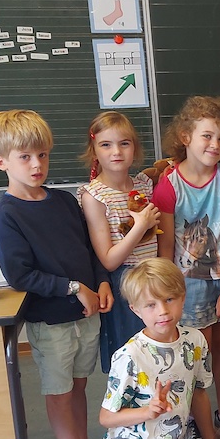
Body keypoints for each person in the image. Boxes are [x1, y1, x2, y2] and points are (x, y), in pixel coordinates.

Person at [0, 109, 113, 439]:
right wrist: (75, 288)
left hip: (85, 313)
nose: (37, 164)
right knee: (58, 393)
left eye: (42, 155)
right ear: (1, 161)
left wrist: (102, 282)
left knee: (77, 386)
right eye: (25, 157)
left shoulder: (61, 201)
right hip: (52, 320)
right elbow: (21, 276)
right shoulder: (5, 215)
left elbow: (89, 250)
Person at [99, 258, 218, 439]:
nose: (163, 311)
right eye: (151, 305)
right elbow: (105, 418)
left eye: (169, 299)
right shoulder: (129, 356)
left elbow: (199, 393)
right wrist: (147, 412)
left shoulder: (196, 341)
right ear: (135, 310)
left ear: (182, 297)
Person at [153, 96, 220, 425]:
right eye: (207, 135)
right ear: (185, 138)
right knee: (197, 354)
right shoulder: (169, 185)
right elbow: (165, 247)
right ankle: (197, 421)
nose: (216, 144)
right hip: (188, 286)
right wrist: (170, 295)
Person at [78, 112, 159, 377]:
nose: (116, 152)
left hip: (154, 277)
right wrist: (141, 225)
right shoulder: (94, 196)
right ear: (94, 150)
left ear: (134, 148)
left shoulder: (145, 184)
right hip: (125, 283)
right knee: (133, 359)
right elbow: (109, 259)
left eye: (124, 143)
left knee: (158, 352)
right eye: (106, 145)